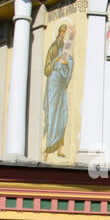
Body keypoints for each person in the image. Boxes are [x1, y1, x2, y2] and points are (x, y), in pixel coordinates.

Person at [43, 24, 74, 155]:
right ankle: (49, 146)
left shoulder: (64, 51)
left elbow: (69, 59)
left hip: (61, 84)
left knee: (62, 114)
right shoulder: (52, 49)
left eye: (64, 33)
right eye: (61, 32)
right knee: (52, 113)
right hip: (53, 83)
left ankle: (59, 148)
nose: (63, 35)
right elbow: (47, 68)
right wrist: (57, 62)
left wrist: (72, 34)